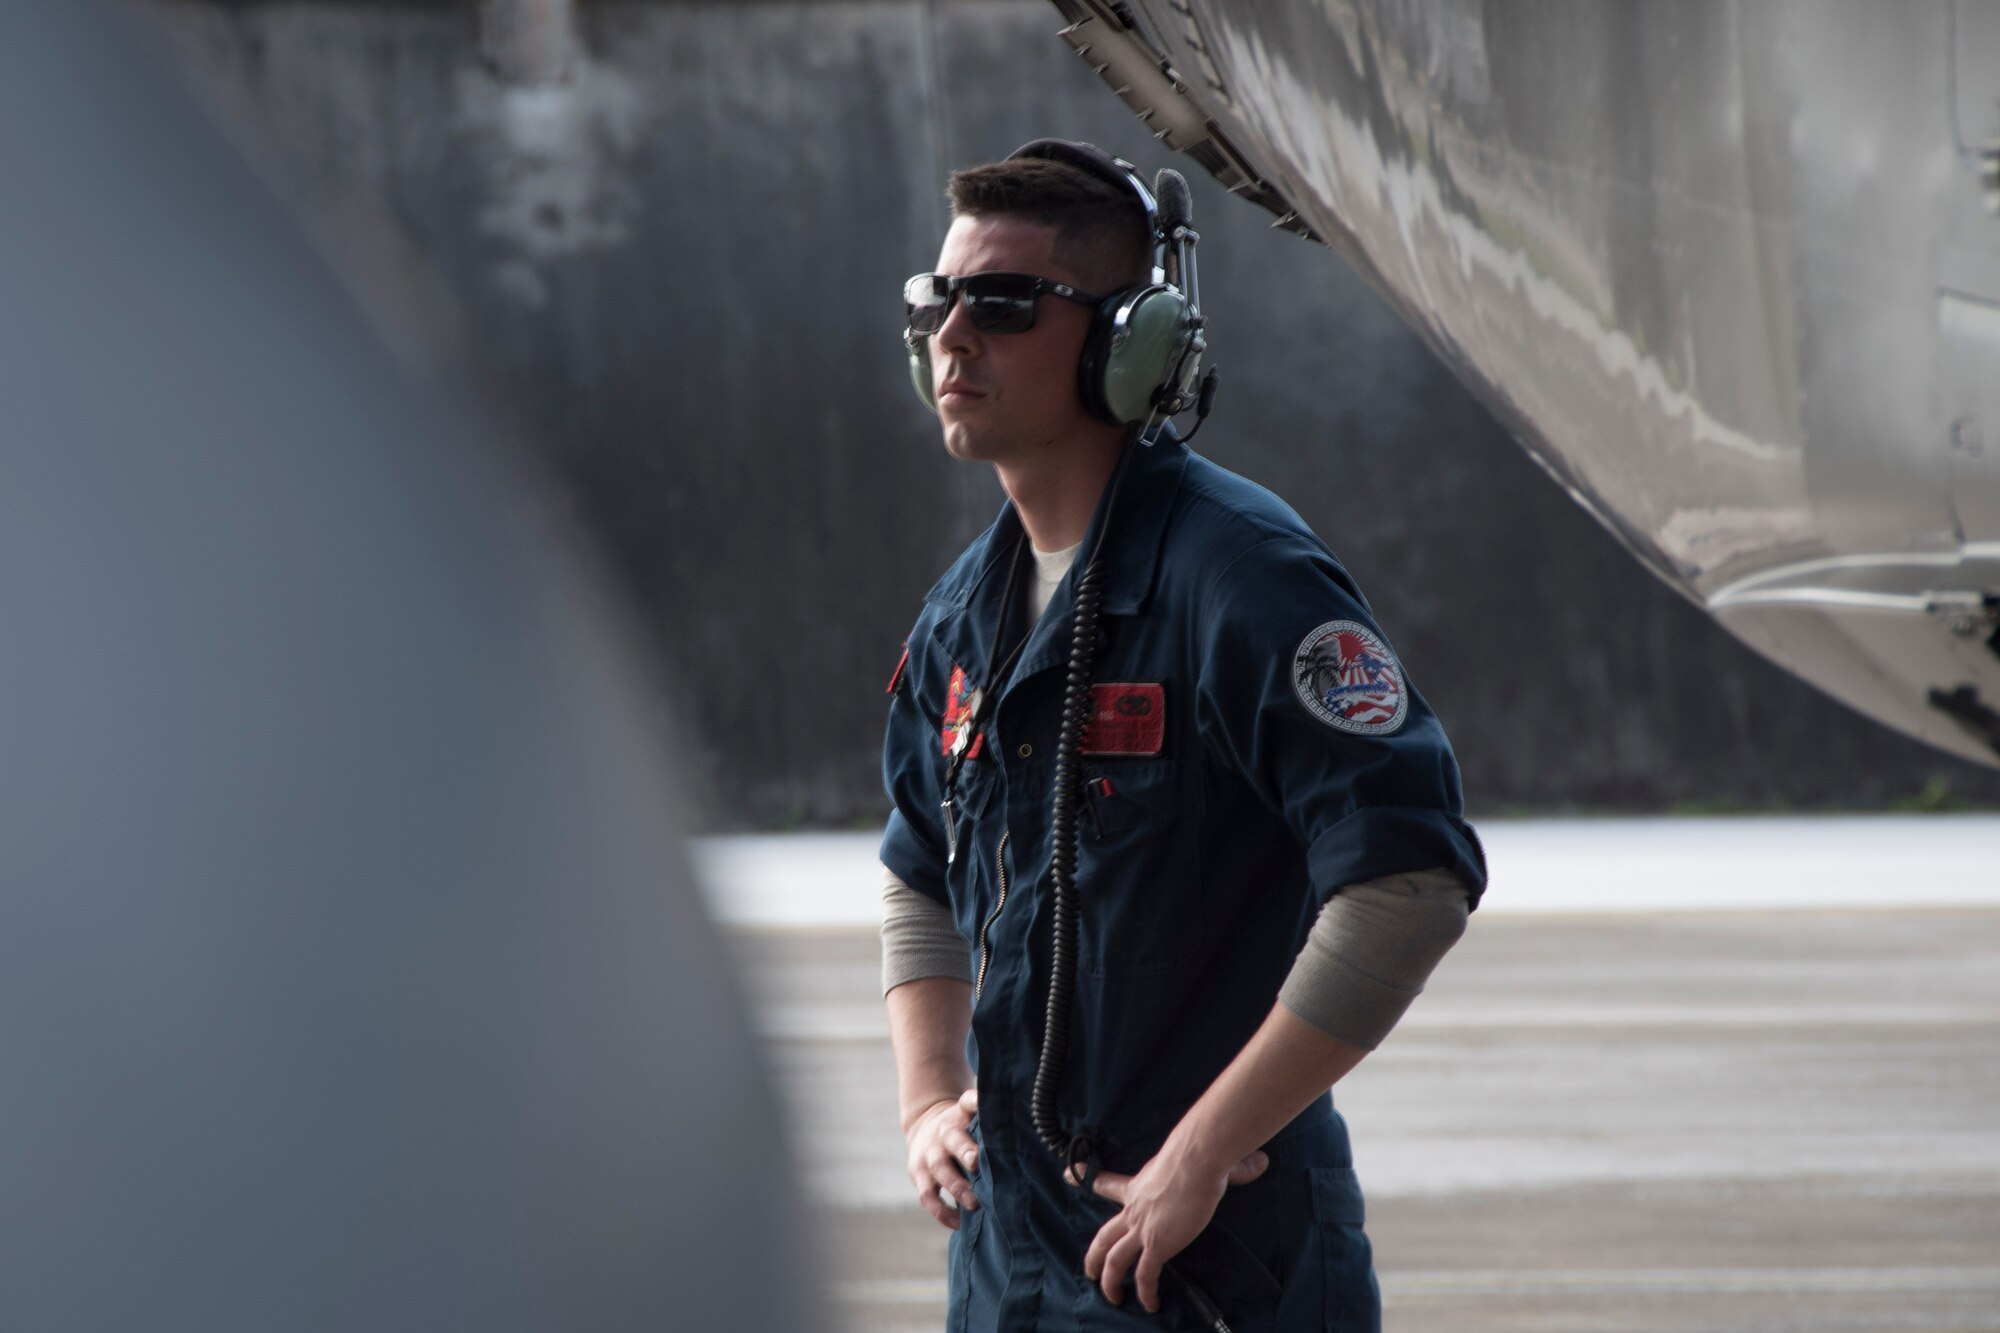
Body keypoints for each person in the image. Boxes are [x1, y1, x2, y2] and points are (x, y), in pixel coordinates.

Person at [878, 139, 1486, 1332]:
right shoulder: (962, 614)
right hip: (1010, 1264)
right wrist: (926, 1099)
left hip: (1206, 1262)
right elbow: (917, 871)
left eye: (1001, 305)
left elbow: (1405, 877)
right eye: (935, 301)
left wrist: (1204, 1149)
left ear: (1128, 341)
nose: (952, 337)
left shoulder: (1240, 578)